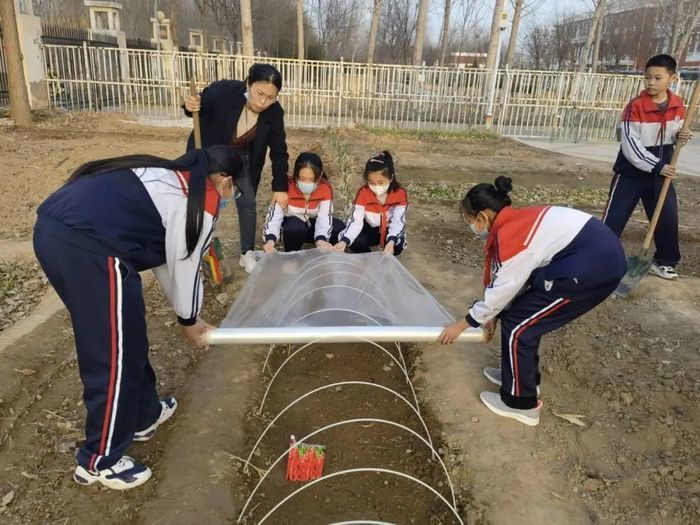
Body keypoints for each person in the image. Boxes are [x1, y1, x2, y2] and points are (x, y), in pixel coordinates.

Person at [33, 146, 245, 489]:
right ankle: (99, 461)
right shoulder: (199, 201)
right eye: (234, 190)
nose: (230, 197)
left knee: (126, 334)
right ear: (225, 181)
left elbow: (168, 261)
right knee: (111, 354)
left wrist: (185, 314)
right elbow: (187, 267)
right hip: (90, 246)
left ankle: (144, 415)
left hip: (62, 232)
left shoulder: (173, 178)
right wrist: (190, 321)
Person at [438, 177, 626, 427]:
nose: (471, 225)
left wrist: (462, 324)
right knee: (517, 313)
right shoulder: (515, 221)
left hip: (593, 270)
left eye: (470, 220)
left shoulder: (514, 236)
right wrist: (494, 313)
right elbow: (510, 283)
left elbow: (504, 288)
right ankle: (517, 377)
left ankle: (521, 404)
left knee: (520, 326)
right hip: (584, 256)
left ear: (483, 216)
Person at [183, 63, 289, 273]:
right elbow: (199, 107)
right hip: (210, 154)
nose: (263, 101)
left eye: (271, 97)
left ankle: (246, 253)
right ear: (248, 83)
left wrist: (280, 187)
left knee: (248, 200)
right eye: (259, 93)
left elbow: (279, 151)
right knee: (202, 202)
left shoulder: (274, 113)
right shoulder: (223, 92)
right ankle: (198, 249)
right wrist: (190, 105)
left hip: (241, 160)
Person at [602, 54, 692, 280]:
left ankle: (665, 261)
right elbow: (631, 146)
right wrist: (658, 166)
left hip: (661, 173)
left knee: (667, 217)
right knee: (614, 219)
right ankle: (598, 259)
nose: (651, 82)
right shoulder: (635, 106)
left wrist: (683, 135)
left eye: (657, 78)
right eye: (647, 77)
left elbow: (674, 134)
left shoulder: (677, 105)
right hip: (631, 174)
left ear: (672, 78)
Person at [263, 152, 345, 252]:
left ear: (319, 176)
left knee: (339, 227)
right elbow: (275, 216)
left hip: (311, 226)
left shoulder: (325, 188)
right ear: (296, 175)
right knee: (295, 227)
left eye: (312, 179)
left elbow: (324, 217)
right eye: (302, 179)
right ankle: (292, 251)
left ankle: (321, 246)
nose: (307, 183)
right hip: (292, 228)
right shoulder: (285, 186)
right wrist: (270, 240)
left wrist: (321, 239)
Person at [334, 151, 408, 256]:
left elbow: (397, 222)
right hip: (369, 229)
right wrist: (344, 241)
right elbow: (356, 222)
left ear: (391, 178)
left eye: (381, 182)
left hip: (388, 229)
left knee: (397, 246)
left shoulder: (399, 194)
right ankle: (370, 257)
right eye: (371, 183)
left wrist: (391, 241)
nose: (376, 186)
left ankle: (388, 245)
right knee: (355, 242)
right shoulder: (363, 193)